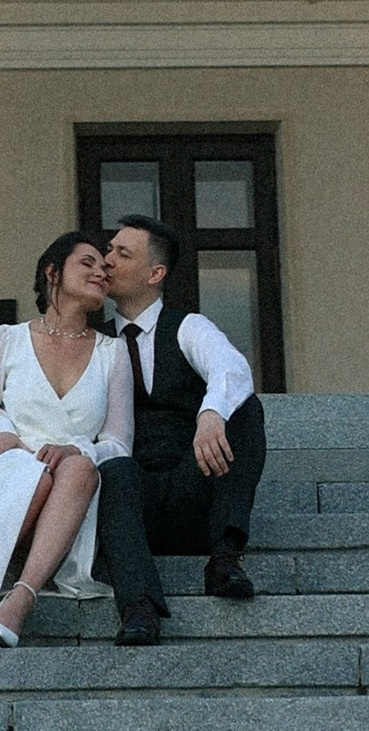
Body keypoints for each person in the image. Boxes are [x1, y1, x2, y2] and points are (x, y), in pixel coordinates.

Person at [0, 232, 133, 648]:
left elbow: (119, 443)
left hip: (70, 493)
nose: (100, 273)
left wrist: (76, 448)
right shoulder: (8, 339)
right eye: (86, 263)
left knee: (80, 466)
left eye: (104, 269)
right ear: (52, 272)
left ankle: (20, 597)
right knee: (35, 472)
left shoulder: (113, 353)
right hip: (2, 474)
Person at [92, 216, 266, 647]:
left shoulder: (188, 326)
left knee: (244, 410)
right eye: (109, 250)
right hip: (131, 504)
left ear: (155, 274)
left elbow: (231, 368)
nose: (107, 260)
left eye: (122, 253)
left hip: (195, 489)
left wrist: (211, 414)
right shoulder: (93, 341)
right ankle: (139, 607)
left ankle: (224, 558)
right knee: (113, 468)